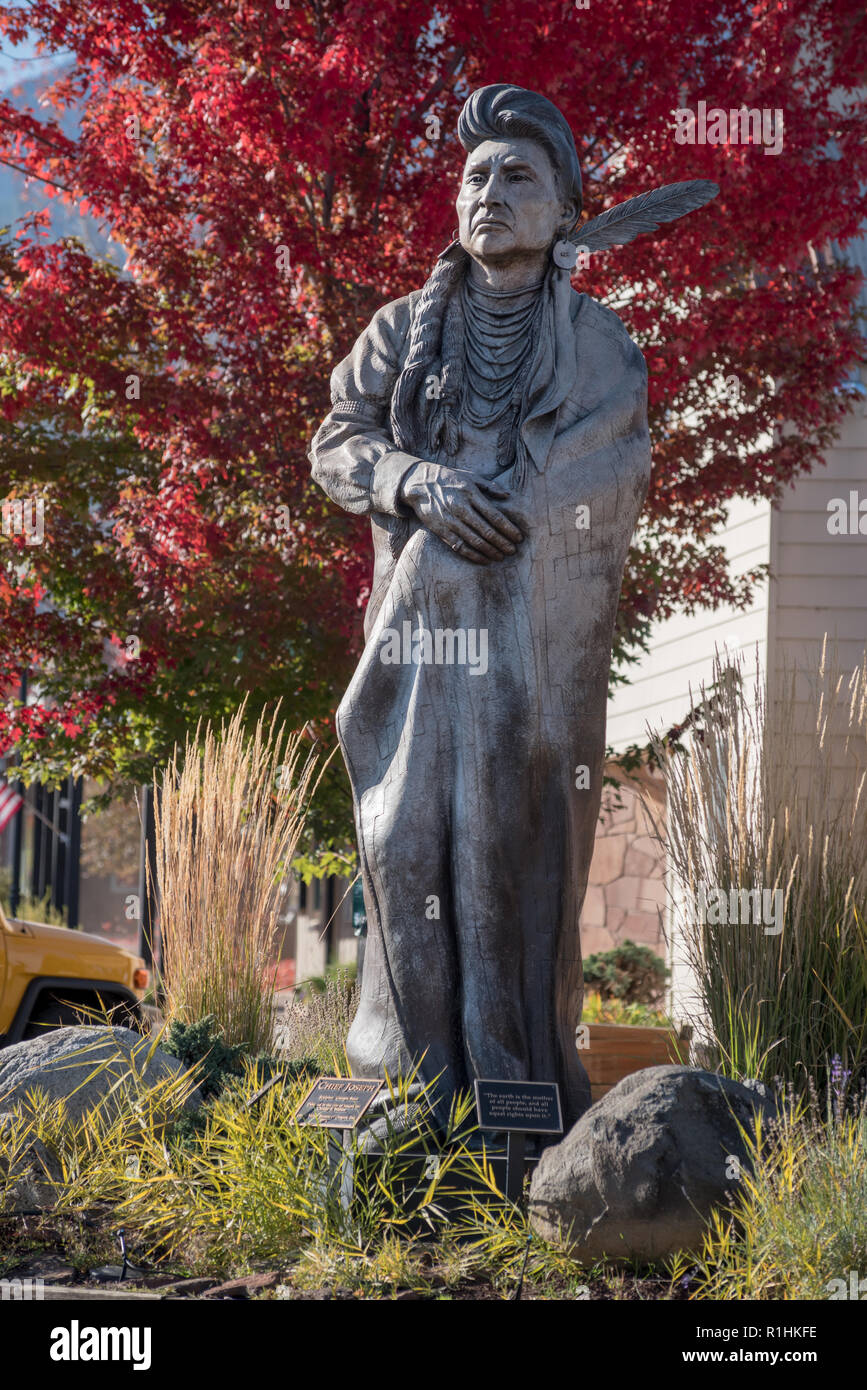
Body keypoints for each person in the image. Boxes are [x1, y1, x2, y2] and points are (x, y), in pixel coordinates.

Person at [310, 84, 651, 1132]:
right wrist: (418, 485)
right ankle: (403, 1088)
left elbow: (600, 482)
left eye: (517, 175)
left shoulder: (602, 347)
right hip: (416, 671)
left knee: (509, 851)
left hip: (526, 663)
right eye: (473, 177)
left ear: (563, 211)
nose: (488, 193)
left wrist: (481, 525)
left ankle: (512, 1089)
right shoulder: (399, 329)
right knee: (407, 838)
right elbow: (338, 443)